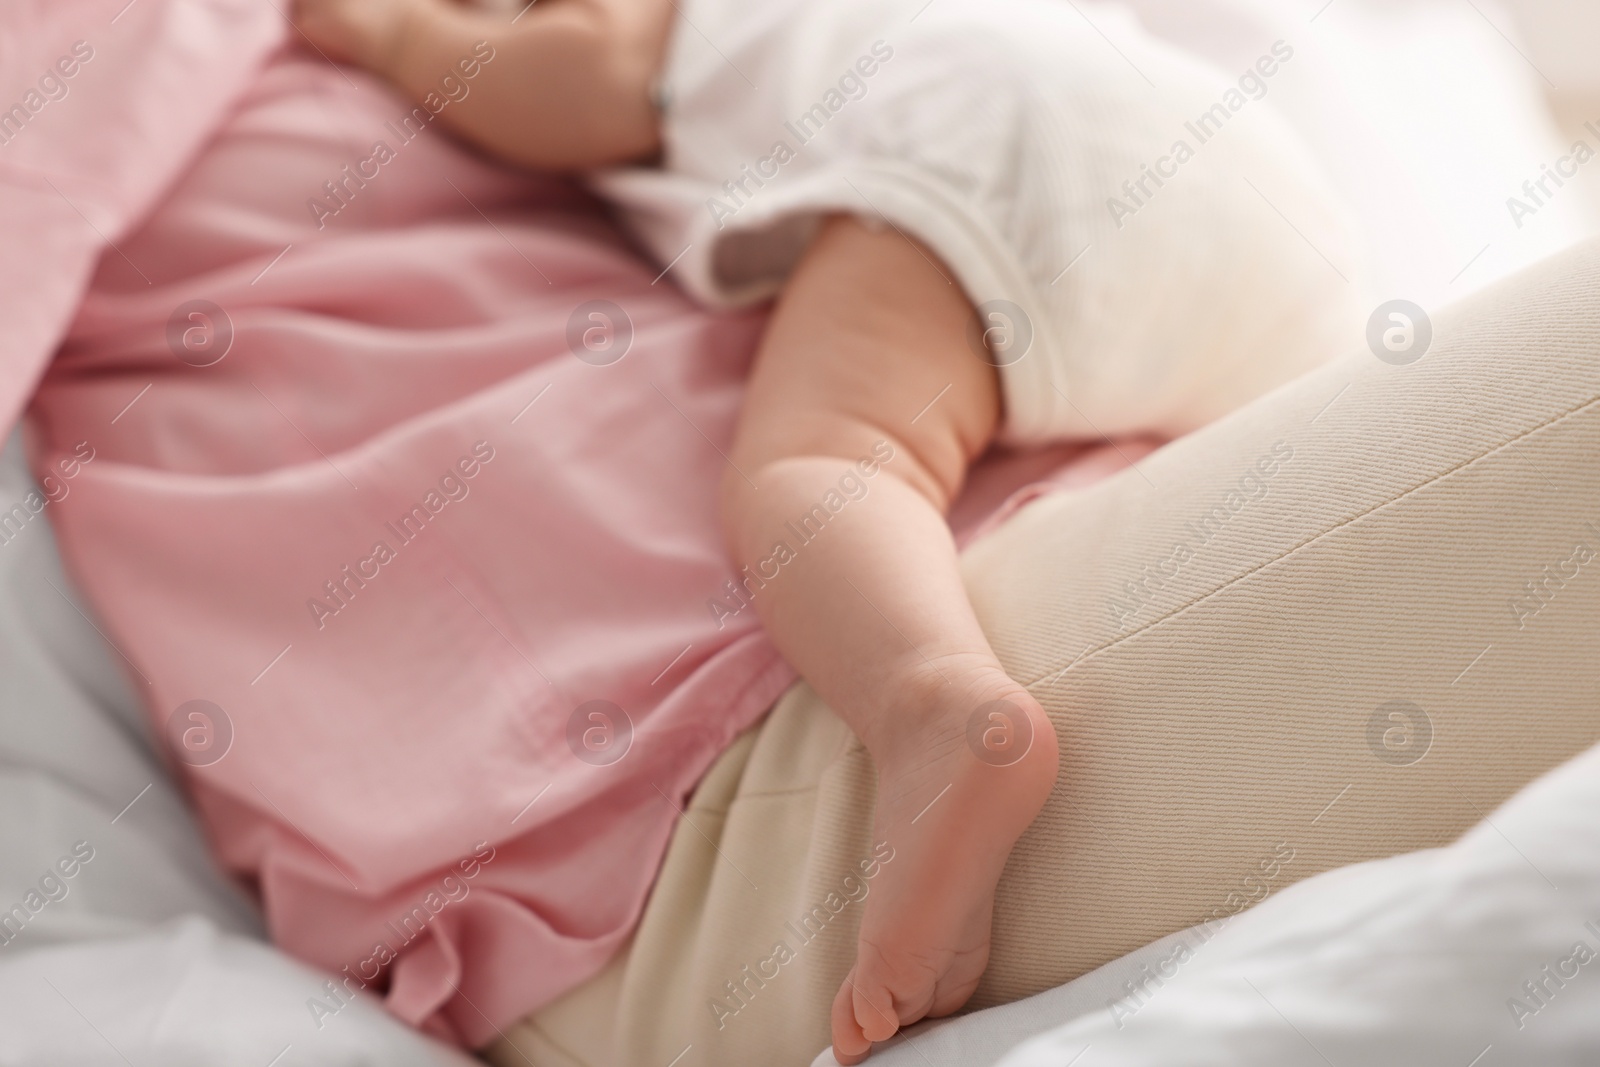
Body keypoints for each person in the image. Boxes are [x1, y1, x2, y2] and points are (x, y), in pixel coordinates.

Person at [291, 0, 1359, 1058]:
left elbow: (588, 92)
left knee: (827, 465)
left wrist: (405, 39)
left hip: (993, 137)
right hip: (1267, 210)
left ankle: (932, 706)